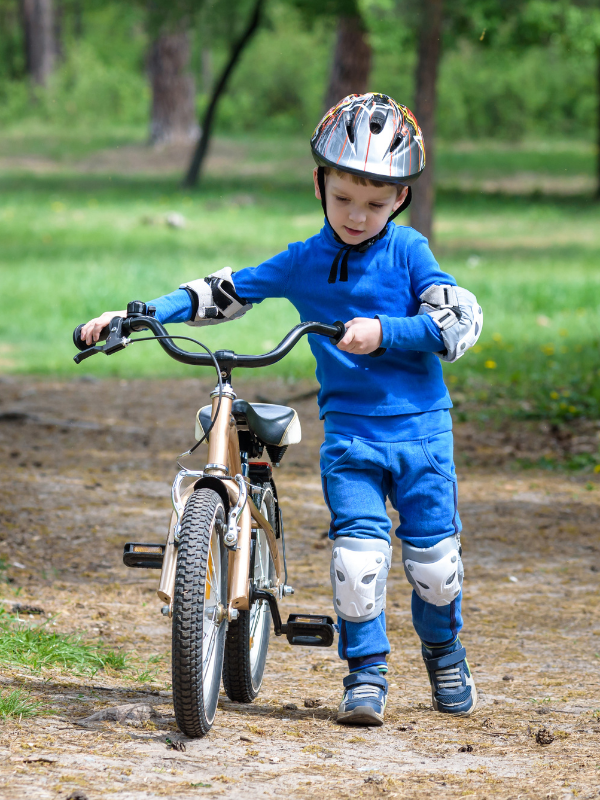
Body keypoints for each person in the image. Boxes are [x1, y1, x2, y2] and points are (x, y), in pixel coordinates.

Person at [79, 93, 482, 726]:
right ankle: (366, 674)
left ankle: (444, 651)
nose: (357, 215)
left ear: (400, 200)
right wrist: (135, 316)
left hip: (422, 435)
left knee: (435, 568)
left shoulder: (410, 253)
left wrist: (386, 331)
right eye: (344, 197)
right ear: (320, 183)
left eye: (376, 204)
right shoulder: (303, 262)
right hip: (351, 436)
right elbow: (221, 294)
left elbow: (457, 322)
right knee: (358, 563)